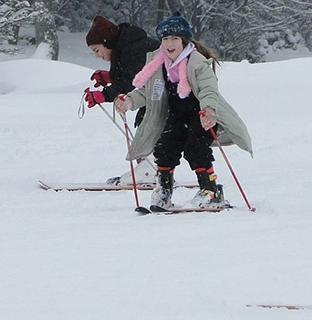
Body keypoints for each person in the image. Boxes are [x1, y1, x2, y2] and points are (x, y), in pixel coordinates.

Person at [113, 12, 252, 209]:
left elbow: (208, 89)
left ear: (184, 41)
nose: (170, 43)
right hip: (176, 113)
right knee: (165, 146)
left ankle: (210, 190)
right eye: (165, 39)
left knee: (196, 148)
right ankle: (164, 190)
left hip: (200, 113)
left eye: (175, 39)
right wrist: (128, 101)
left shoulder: (197, 62)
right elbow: (146, 91)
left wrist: (209, 111)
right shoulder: (157, 62)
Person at [84, 15, 160, 186]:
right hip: (157, 92)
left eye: (97, 50)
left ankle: (151, 171)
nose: (97, 55)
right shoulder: (126, 46)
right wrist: (109, 77)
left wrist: (104, 95)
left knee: (148, 127)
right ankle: (153, 169)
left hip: (168, 92)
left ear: (107, 42)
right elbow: (134, 73)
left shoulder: (132, 48)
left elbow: (131, 81)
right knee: (146, 126)